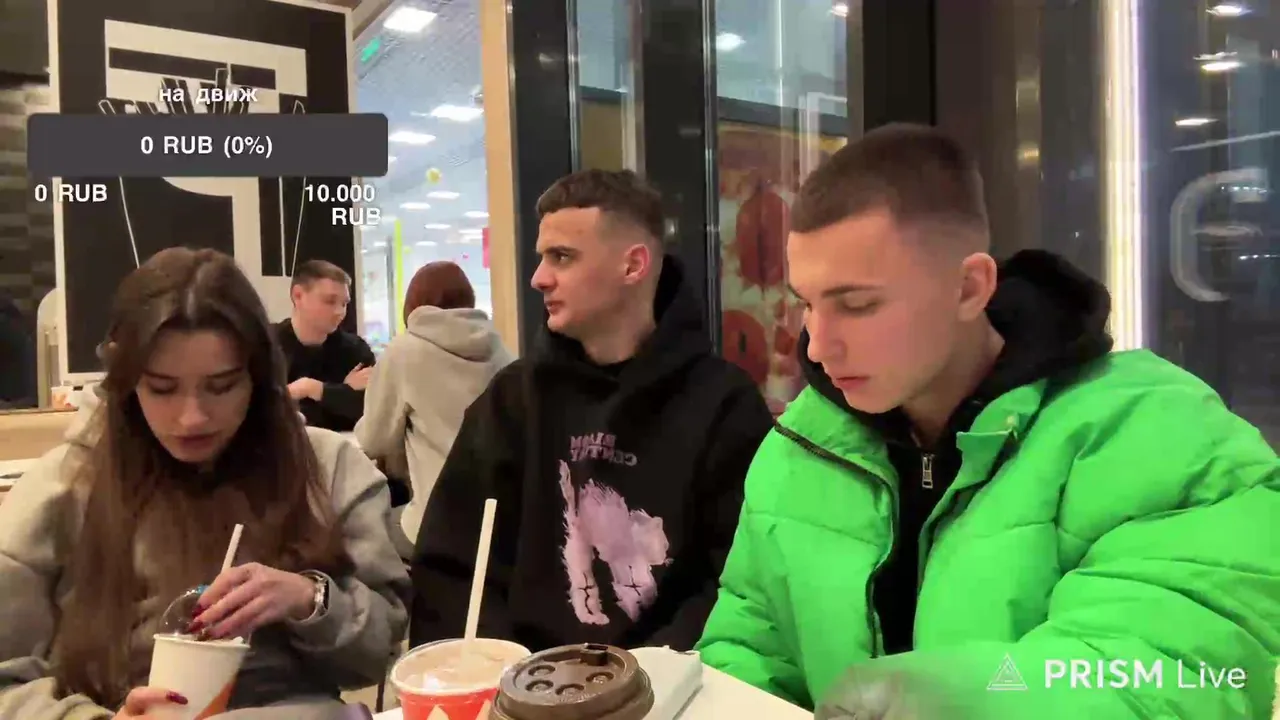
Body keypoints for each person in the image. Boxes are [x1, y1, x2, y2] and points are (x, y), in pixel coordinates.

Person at [695, 124, 1280, 717]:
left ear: (969, 288)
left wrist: (964, 701)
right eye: (808, 303)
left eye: (858, 305)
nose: (818, 347)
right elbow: (750, 646)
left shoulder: (1157, 433)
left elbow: (1172, 672)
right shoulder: (800, 445)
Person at [0, 248, 410, 719]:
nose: (192, 417)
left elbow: (381, 652)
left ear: (258, 378)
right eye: (162, 388)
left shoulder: (327, 469)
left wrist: (309, 599)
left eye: (221, 386)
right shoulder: (63, 489)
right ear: (127, 383)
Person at [410, 169, 773, 652]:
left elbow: (738, 583)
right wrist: (516, 676)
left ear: (633, 265)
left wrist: (644, 677)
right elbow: (453, 566)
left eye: (562, 257)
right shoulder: (513, 399)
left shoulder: (725, 405)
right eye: (541, 257)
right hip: (520, 679)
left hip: (672, 682)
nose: (538, 278)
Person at [356, 261, 514, 559]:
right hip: (501, 529)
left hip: (437, 526)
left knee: (361, 532)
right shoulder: (502, 352)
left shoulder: (404, 351)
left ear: (414, 303)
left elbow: (373, 441)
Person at [276, 260, 377, 431]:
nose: (340, 312)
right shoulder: (265, 346)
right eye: (330, 301)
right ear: (298, 296)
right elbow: (261, 410)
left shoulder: (356, 350)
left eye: (344, 304)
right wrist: (343, 392)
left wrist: (311, 389)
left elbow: (372, 410)